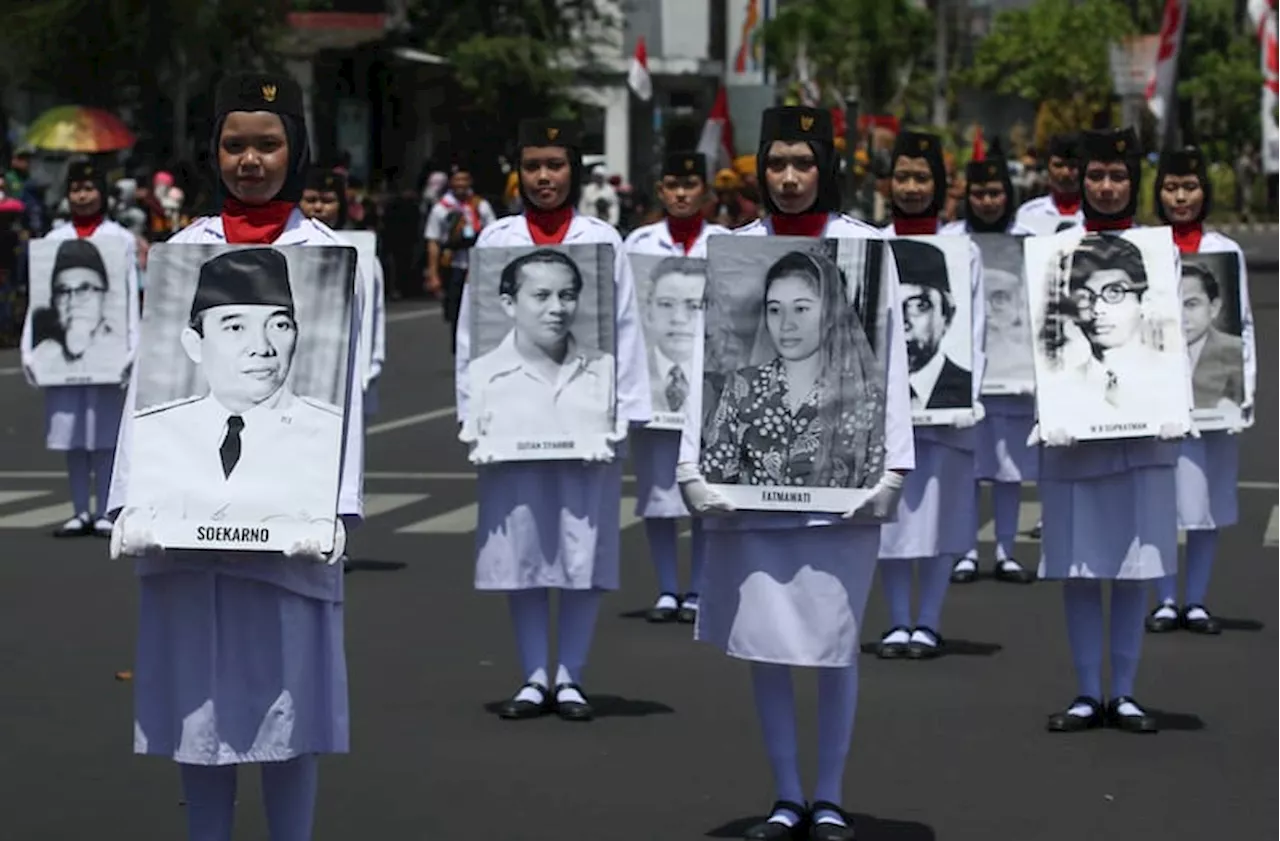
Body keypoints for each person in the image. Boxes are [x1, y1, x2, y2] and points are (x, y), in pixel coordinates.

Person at [106, 72, 365, 841]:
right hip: (185, 519)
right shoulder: (182, 253)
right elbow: (145, 386)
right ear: (212, 150)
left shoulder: (330, 257)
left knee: (292, 704)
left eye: (268, 143)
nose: (250, 159)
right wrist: (130, 499)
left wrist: (336, 505)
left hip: (293, 519)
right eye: (234, 143)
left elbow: (343, 389)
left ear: (297, 149)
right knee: (199, 703)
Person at [676, 105, 912, 841]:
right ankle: (786, 794)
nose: (787, 177)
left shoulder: (867, 246)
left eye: (802, 163)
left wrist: (894, 465)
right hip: (751, 499)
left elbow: (894, 363)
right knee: (768, 642)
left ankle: (831, 794)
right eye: (775, 163)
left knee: (835, 641)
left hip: (844, 493)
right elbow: (704, 363)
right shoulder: (735, 250)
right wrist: (691, 461)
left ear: (825, 167)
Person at [454, 118, 649, 722]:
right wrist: (473, 412)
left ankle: (572, 676)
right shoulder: (496, 240)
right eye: (534, 165)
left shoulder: (602, 238)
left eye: (555, 165)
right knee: (524, 549)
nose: (544, 177)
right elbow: (471, 331)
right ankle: (534, 675)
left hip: (587, 418)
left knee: (581, 547)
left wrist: (622, 414)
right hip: (512, 420)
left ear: (574, 171)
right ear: (519, 170)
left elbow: (624, 329)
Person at [1031, 127, 1185, 735]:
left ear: (1133, 182)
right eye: (1096, 175)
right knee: (1077, 566)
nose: (1105, 186)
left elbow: (1170, 340)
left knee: (1132, 565)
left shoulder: (1160, 250)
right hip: (1074, 433)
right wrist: (1052, 405)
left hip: (1143, 436)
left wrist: (1177, 404)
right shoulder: (1054, 250)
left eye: (1118, 176)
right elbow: (1042, 341)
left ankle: (1123, 692)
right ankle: (1084, 692)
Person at [873, 130, 987, 658]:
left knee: (942, 519)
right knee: (890, 521)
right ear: (888, 183)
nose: (912, 187)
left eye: (922, 178)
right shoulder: (868, 244)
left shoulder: (963, 252)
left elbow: (980, 332)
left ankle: (931, 619)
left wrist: (969, 396)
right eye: (903, 177)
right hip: (881, 411)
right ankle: (898, 620)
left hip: (947, 418)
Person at [126, 247, 345, 522]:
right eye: (236, 328)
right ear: (194, 344)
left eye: (279, 326)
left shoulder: (328, 430)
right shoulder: (155, 430)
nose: (262, 348)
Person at [1147, 146, 1255, 636]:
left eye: (1189, 187)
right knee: (1161, 503)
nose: (1180, 196)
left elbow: (1245, 325)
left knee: (1206, 507)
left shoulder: (1225, 250)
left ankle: (1196, 600)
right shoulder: (1146, 247)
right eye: (1171, 187)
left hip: (1215, 404)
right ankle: (1165, 598)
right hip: (1159, 401)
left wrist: (1244, 393)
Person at [623, 151, 729, 623]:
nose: (681, 194)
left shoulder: (727, 242)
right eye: (672, 184)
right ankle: (668, 587)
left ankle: (703, 585)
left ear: (705, 190)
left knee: (705, 496)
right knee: (659, 496)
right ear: (660, 190)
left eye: (690, 184)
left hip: (714, 389)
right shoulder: (639, 243)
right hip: (654, 388)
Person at [20, 160, 139, 538]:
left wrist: (131, 348)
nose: (83, 196)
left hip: (109, 354)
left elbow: (128, 299)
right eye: (76, 189)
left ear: (102, 193)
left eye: (89, 188)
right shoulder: (53, 240)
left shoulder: (119, 238)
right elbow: (39, 300)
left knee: (105, 436)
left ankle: (106, 509)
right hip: (63, 361)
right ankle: (78, 510)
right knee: (71, 434)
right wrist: (30, 350)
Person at [465, 249, 616, 439]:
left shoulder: (604, 366)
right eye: (541, 296)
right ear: (509, 304)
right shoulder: (483, 373)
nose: (557, 308)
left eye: (567, 296)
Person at [1038, 234, 1178, 420]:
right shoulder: (1061, 384)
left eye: (1114, 293)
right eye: (1085, 296)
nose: (1097, 310)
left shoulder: (1171, 377)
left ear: (1144, 301)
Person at [298, 166, 386, 418]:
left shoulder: (362, 256)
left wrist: (369, 370)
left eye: (327, 201)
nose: (318, 208)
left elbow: (372, 318)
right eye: (310, 200)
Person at [26, 238, 130, 380]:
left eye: (84, 289)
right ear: (53, 303)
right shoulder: (43, 357)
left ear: (105, 297)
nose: (73, 301)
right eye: (63, 292)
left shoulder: (124, 354)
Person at [426, 167, 496, 354]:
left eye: (464, 179)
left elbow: (493, 235)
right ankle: (459, 350)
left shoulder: (481, 206)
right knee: (455, 311)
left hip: (477, 265)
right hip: (454, 265)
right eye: (457, 180)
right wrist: (433, 273)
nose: (461, 184)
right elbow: (433, 241)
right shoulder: (441, 208)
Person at [1180, 267, 1245, 410]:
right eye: (1169, 305)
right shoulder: (1134, 355)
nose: (1180, 317)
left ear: (1214, 308)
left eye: (1191, 304)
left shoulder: (1240, 354)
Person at [1014, 134, 1084, 235]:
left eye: (1072, 165)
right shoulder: (1029, 213)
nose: (1065, 173)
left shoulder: (1097, 214)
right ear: (1048, 168)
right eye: (1058, 165)